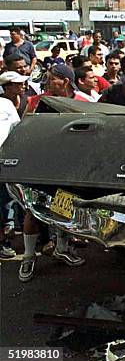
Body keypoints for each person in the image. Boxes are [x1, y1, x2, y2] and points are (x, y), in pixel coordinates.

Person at [20, 64, 87, 281]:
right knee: (32, 210)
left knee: (64, 205)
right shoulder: (36, 101)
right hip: (39, 166)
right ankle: (29, 256)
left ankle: (62, 247)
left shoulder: (83, 103)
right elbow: (24, 131)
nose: (47, 82)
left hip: (69, 167)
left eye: (51, 79)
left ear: (65, 81)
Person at [0, 71, 26, 259]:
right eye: (17, 84)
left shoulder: (7, 104)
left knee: (6, 198)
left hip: (5, 159)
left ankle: (6, 232)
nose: (22, 86)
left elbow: (16, 129)